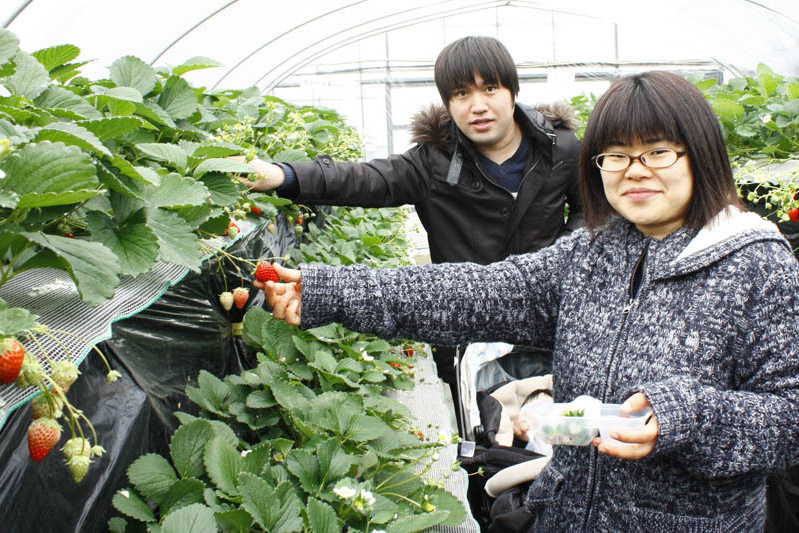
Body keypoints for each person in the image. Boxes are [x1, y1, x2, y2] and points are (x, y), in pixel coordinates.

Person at [255, 70, 799, 531]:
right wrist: (327, 291)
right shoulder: (590, 255)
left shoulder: (757, 266)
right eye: (615, 155)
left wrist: (687, 416)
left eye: (657, 151)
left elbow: (790, 419)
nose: (635, 170)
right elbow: (470, 294)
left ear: (701, 155)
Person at [236, 35, 582, 409]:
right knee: (480, 429)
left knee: (557, 417)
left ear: (513, 91)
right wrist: (282, 175)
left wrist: (561, 256)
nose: (478, 105)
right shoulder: (433, 162)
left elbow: (590, 209)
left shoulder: (562, 149)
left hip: (548, 324)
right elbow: (364, 179)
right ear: (448, 103)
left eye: (490, 89)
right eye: (461, 93)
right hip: (463, 328)